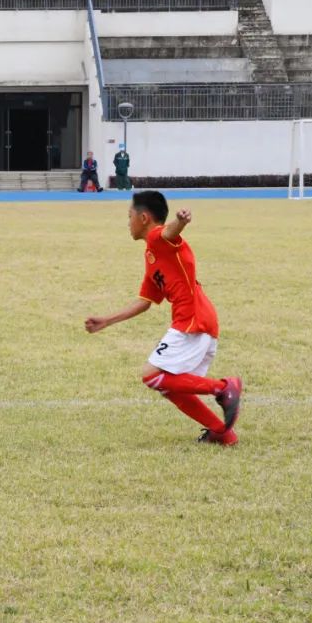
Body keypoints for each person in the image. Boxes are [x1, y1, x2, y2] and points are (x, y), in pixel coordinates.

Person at [84, 191, 242, 445]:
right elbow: (145, 302)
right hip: (198, 320)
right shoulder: (152, 256)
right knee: (168, 386)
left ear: (144, 218)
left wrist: (181, 220)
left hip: (192, 320)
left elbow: (170, 233)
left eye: (129, 216)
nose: (128, 223)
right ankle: (222, 432)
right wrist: (107, 320)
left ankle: (223, 387)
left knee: (150, 374)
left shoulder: (159, 239)